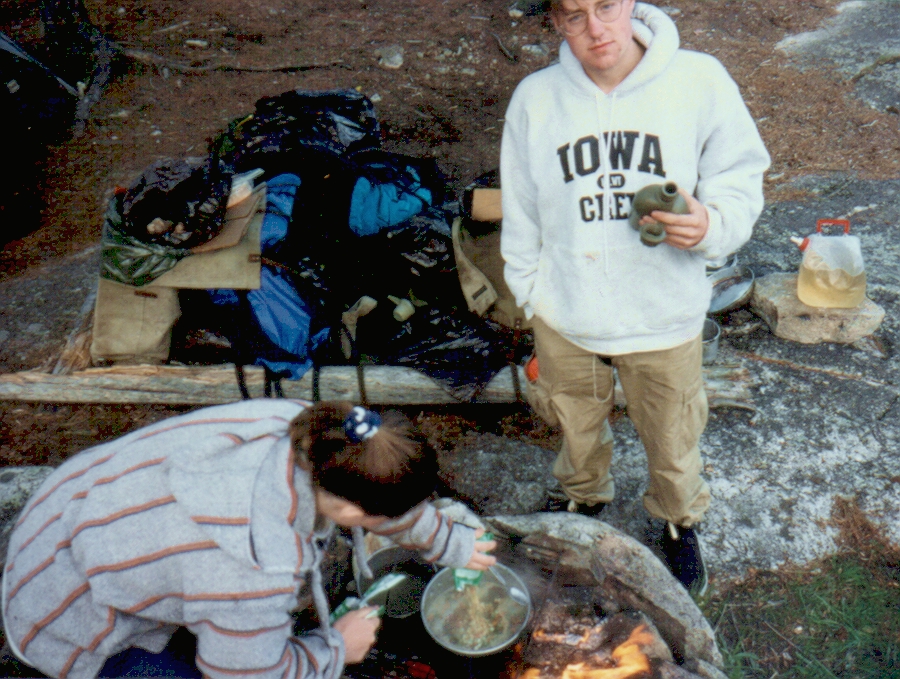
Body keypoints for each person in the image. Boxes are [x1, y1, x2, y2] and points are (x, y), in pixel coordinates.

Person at [500, 0, 770, 596]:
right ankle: (582, 496)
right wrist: (529, 292)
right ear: (555, 21)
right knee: (573, 419)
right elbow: (519, 205)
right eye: (574, 15)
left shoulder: (697, 79)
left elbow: (740, 175)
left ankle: (677, 518)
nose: (595, 29)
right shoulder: (536, 98)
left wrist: (711, 224)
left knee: (673, 432)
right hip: (566, 310)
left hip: (662, 311)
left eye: (606, 6)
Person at [1, 399, 496, 679]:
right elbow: (247, 675)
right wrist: (334, 650)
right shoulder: (252, 566)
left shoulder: (316, 431)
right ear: (350, 511)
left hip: (63, 518)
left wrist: (445, 541)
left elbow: (369, 487)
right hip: (64, 617)